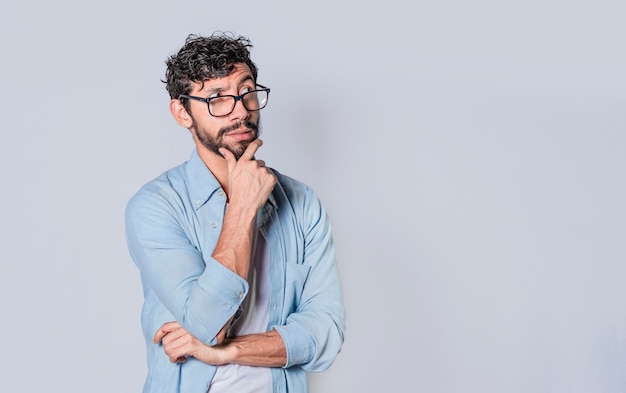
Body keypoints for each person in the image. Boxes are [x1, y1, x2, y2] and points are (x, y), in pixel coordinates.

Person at [125, 32, 346, 393]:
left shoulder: (302, 203)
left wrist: (226, 352)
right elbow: (209, 325)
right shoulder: (154, 206)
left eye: (247, 92)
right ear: (182, 112)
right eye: (217, 99)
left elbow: (326, 335)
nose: (241, 110)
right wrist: (242, 207)